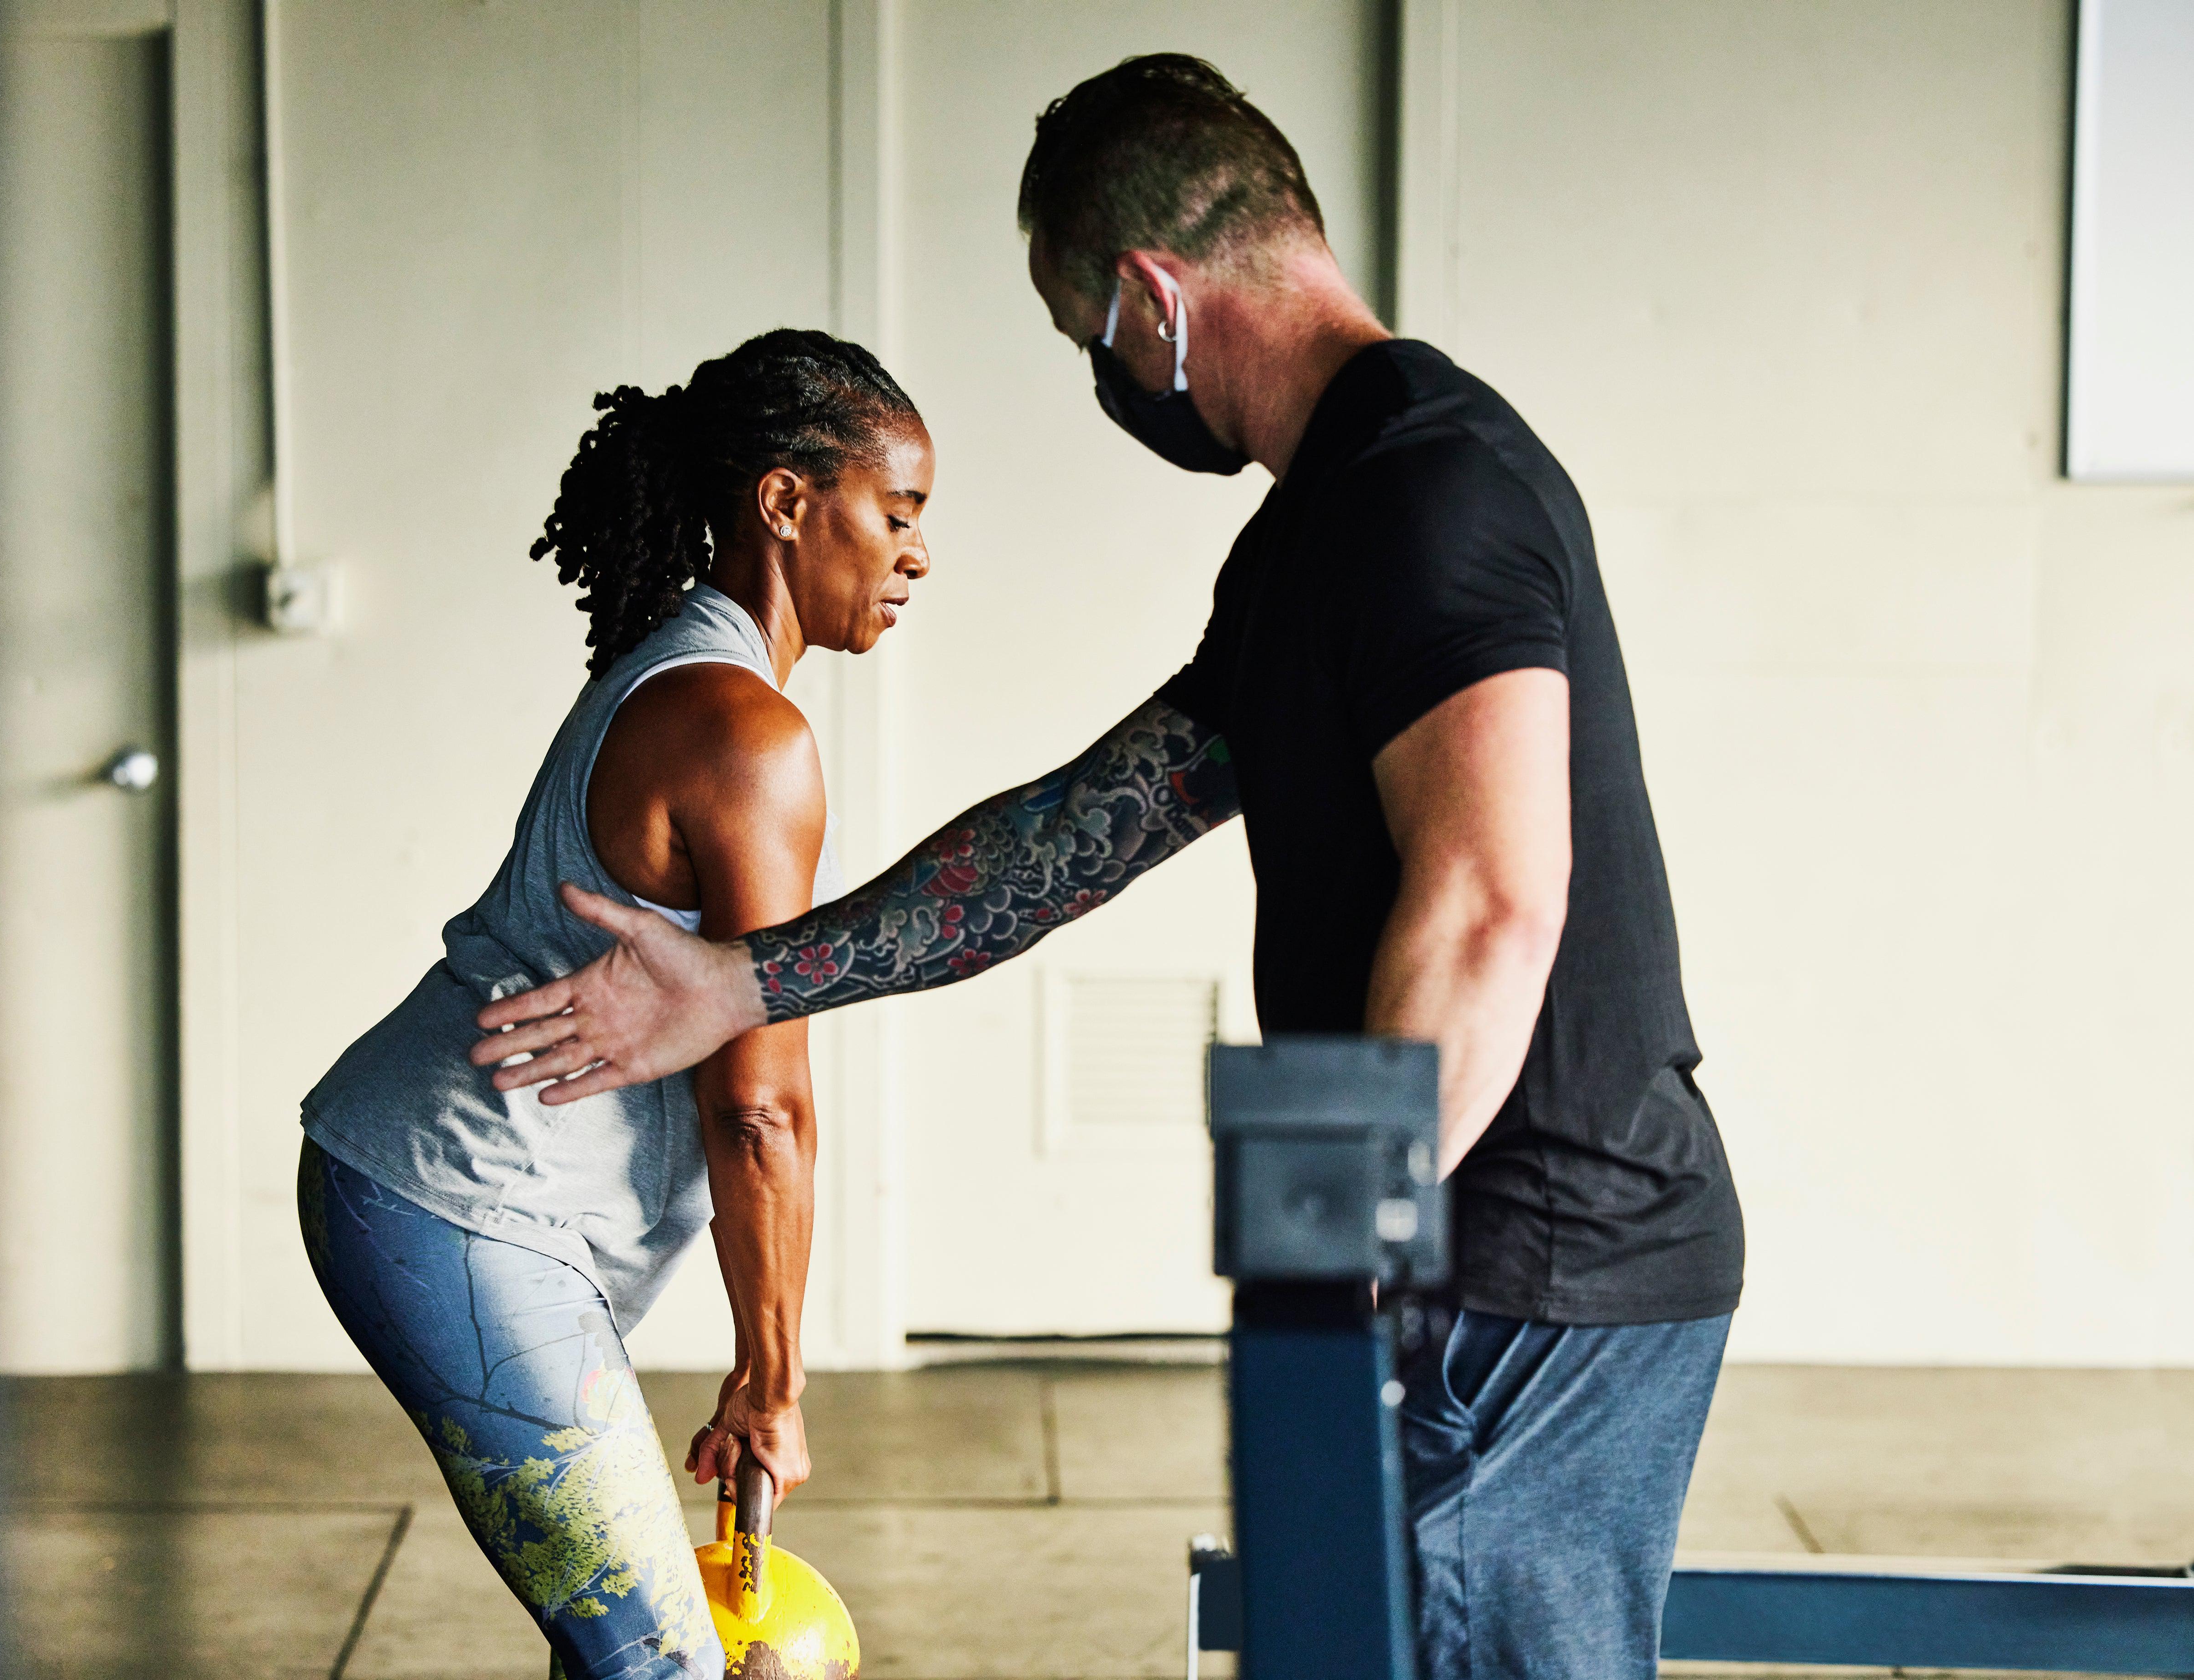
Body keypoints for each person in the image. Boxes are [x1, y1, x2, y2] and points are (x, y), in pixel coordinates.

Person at [468, 56, 1745, 1680]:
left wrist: (1344, 1253)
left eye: (1090, 342)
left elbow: (1493, 899)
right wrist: (741, 977)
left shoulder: (1435, 494)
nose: (1103, 379)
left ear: (1155, 299)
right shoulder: (1314, 537)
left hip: (1542, 1261)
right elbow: (1089, 827)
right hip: (1455, 1257)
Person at [298, 327, 932, 1680]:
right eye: (897, 513)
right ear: (784, 502)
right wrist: (774, 1380)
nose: (917, 556)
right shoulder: (745, 735)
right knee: (662, 1664)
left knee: (622, 1640)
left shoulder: (686, 675)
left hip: (459, 1192)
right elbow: (757, 1104)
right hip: (461, 1202)